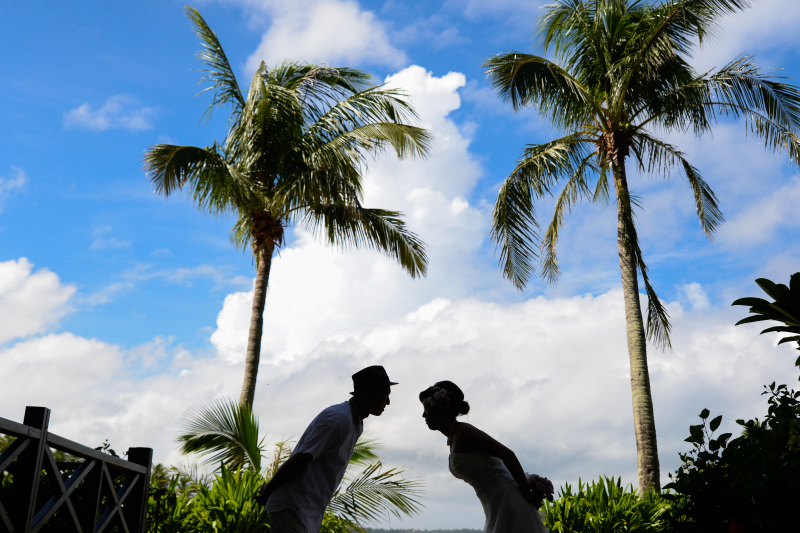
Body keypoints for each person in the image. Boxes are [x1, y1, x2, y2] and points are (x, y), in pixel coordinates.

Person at [256, 365, 397, 533]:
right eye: (384, 395)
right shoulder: (338, 420)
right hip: (293, 507)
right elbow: (301, 458)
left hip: (304, 510)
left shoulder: (355, 423)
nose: (388, 402)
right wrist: (268, 490)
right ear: (368, 395)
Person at [419, 381, 548, 533]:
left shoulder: (463, 432)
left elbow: (508, 455)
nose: (423, 415)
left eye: (426, 408)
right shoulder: (453, 437)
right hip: (494, 505)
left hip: (508, 500)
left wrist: (528, 494)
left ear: (442, 408)